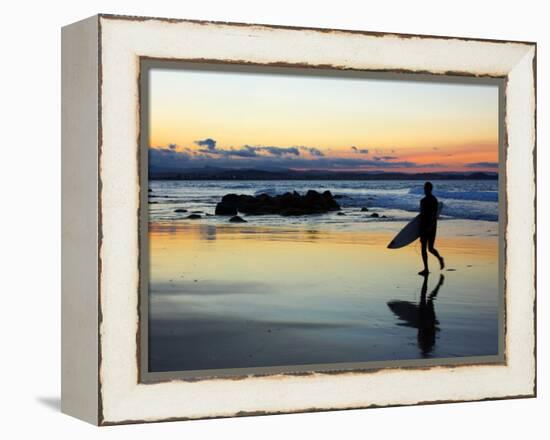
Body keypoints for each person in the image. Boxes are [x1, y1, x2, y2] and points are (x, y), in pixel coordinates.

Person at [418, 182, 444, 275]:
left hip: (427, 226)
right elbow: (423, 215)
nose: (425, 190)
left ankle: (434, 262)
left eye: (426, 188)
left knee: (428, 248)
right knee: (427, 248)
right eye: (425, 188)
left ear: (429, 189)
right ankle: (427, 267)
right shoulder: (432, 200)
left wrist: (428, 227)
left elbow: (432, 215)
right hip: (430, 226)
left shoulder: (429, 200)